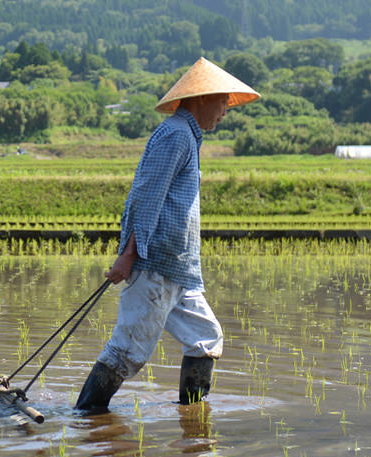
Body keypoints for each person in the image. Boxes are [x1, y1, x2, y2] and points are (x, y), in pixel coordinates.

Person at [75, 57, 260, 412]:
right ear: (202, 98)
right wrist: (128, 254)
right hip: (157, 264)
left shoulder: (188, 137)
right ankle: (85, 417)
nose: (225, 112)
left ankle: (191, 417)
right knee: (128, 352)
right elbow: (145, 195)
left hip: (180, 270)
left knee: (205, 338)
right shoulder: (175, 134)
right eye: (223, 102)